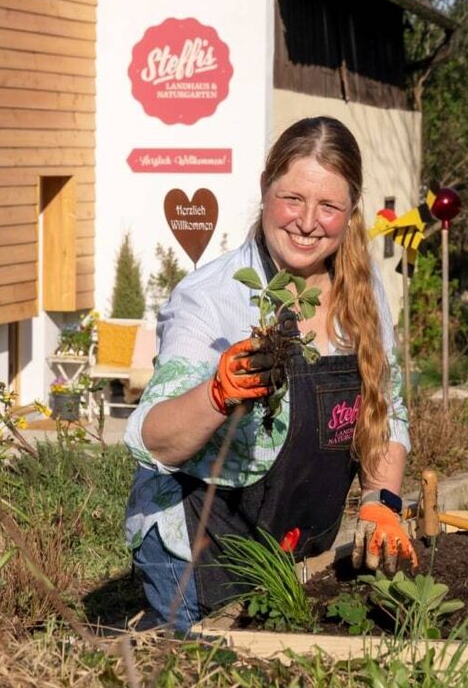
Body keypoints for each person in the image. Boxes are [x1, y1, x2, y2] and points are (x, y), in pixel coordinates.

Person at [124, 116, 417, 631]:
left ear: (350, 213)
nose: (307, 222)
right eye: (293, 199)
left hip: (293, 540)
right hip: (199, 545)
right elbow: (153, 441)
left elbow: (382, 407)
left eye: (328, 206)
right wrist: (216, 395)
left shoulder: (363, 289)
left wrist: (381, 501)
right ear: (265, 190)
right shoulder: (212, 298)